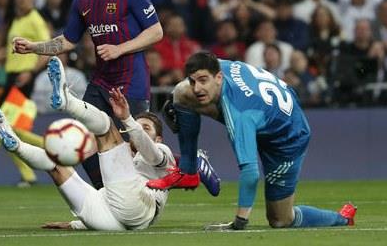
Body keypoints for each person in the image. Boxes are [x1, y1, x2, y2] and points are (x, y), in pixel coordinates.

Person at [12, 0, 164, 189]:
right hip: (101, 82)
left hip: (132, 84)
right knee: (80, 139)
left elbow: (156, 32)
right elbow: (68, 40)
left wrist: (120, 48)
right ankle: (104, 195)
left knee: (133, 153)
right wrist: (34, 47)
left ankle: (138, 199)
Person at [147, 51, 356, 230]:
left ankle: (343, 218)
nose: (198, 88)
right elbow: (189, 86)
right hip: (268, 109)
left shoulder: (241, 114)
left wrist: (239, 221)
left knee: (280, 220)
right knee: (182, 93)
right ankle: (189, 169)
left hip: (287, 138)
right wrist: (179, 106)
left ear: (218, 77)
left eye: (203, 81)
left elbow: (250, 172)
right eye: (195, 81)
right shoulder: (217, 67)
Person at [0, 57, 177, 230]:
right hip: (111, 216)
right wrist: (75, 224)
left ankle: (67, 102)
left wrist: (127, 119)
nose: (140, 130)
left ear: (159, 138)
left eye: (146, 128)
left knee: (107, 125)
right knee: (55, 165)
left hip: (140, 205)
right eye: (138, 126)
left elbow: (151, 153)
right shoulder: (124, 153)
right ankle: (16, 145)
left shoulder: (162, 152)